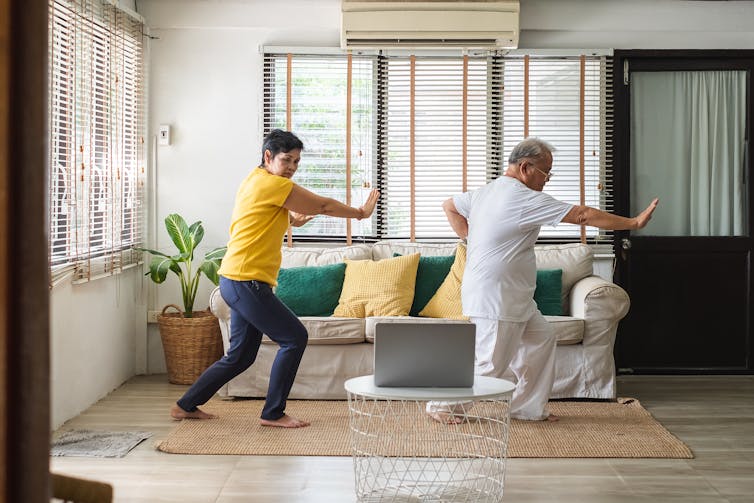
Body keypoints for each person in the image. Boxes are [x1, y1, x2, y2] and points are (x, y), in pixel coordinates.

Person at [170, 129, 380, 428]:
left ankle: (185, 405)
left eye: (296, 161)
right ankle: (273, 413)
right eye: (286, 160)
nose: (292, 167)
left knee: (241, 355)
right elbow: (322, 204)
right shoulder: (271, 184)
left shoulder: (256, 180)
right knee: (294, 338)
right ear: (268, 157)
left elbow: (264, 215)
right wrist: (360, 213)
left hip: (237, 280)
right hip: (246, 282)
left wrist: (294, 220)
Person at [439, 137, 658, 422]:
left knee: (541, 341)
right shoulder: (521, 197)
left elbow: (450, 206)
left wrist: (472, 238)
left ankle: (526, 408)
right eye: (546, 173)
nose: (547, 180)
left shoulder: (487, 192)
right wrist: (633, 223)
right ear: (526, 167)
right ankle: (441, 407)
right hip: (497, 296)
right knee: (490, 364)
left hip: (514, 296)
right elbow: (581, 215)